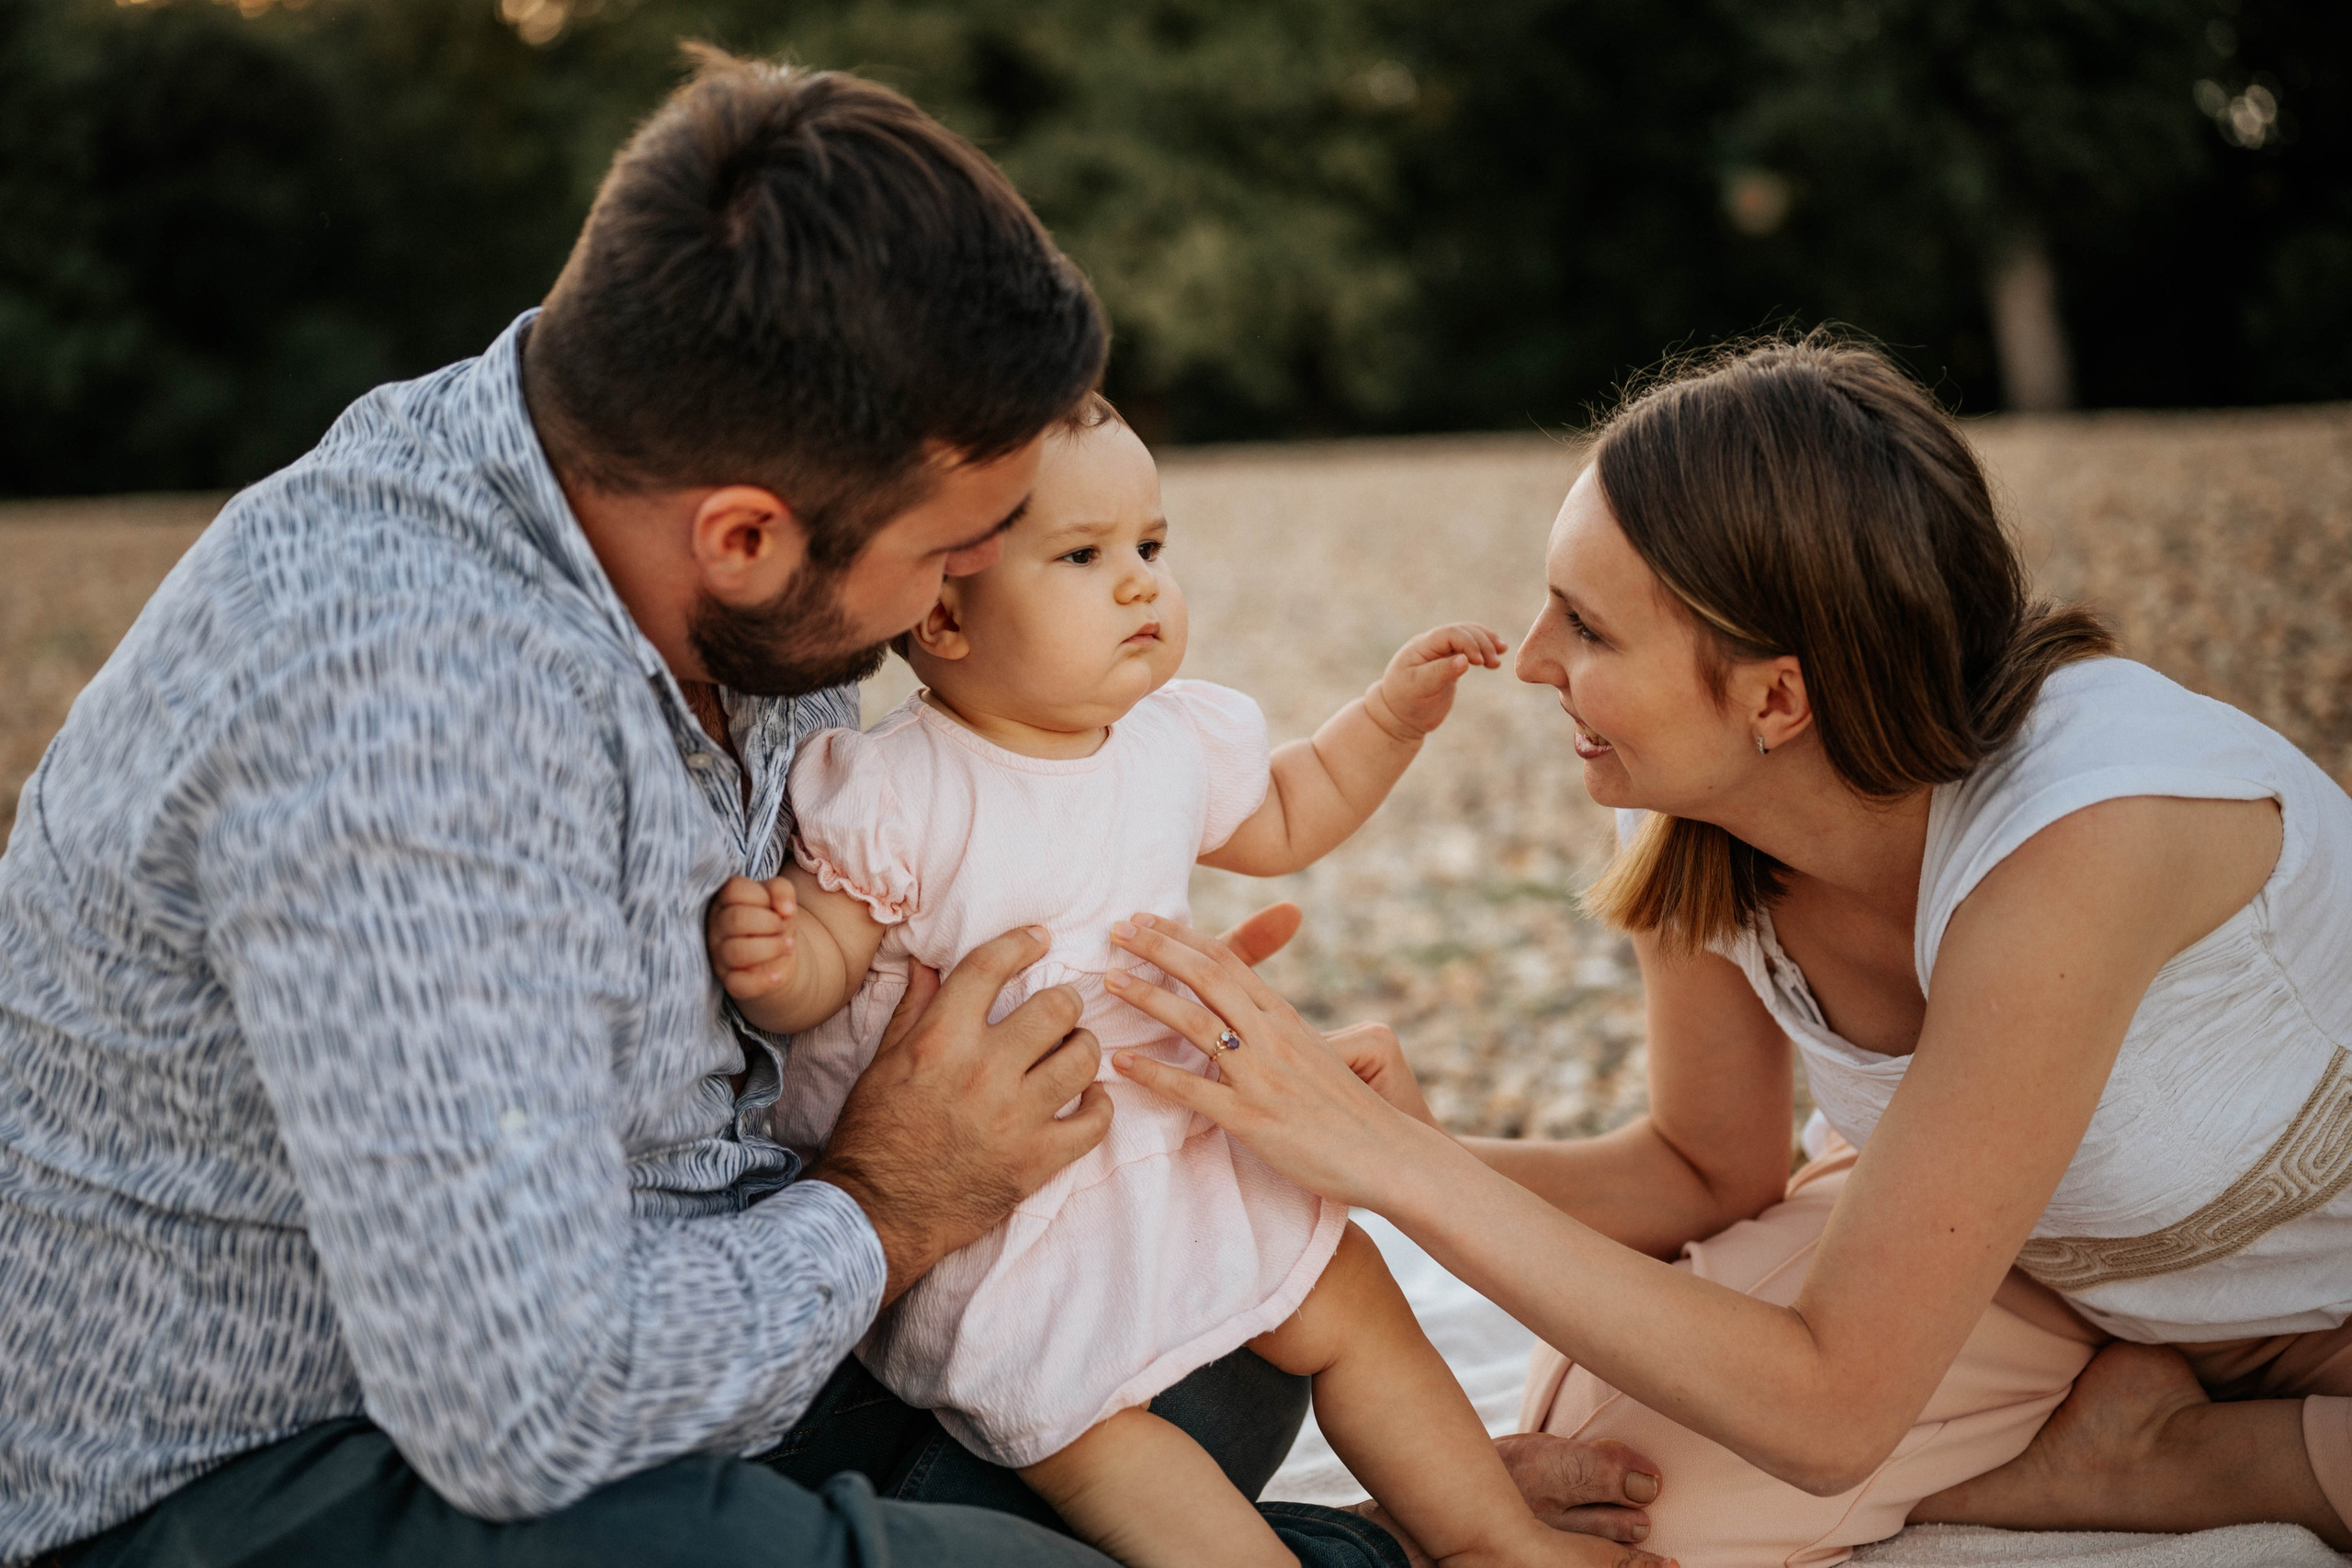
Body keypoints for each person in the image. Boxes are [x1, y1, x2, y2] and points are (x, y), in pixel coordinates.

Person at [0, 51, 1663, 1568]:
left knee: (1219, 1302)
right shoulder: (407, 717)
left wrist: (1096, 1055)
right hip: (279, 1473)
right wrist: (887, 1202)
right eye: (951, 558)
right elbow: (525, 1412)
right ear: (744, 538)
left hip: (694, 1308)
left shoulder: (684, 503)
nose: (962, 599)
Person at [1093, 335, 2352, 1566]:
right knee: (1623, 1489)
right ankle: (2128, 1419)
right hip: (2037, 1269)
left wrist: (1403, 1171)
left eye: (1585, 626)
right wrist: (1362, 1145)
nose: (1530, 660)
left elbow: (1829, 1408)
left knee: (1721, 1440)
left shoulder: (2086, 838)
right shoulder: (1698, 798)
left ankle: (2167, 1461)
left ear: (1775, 700)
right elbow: (1705, 1163)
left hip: (2327, 1301)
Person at [707, 393, 1635, 1568]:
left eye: (1150, 545)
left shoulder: (1165, 740)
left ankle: (1500, 1539)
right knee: (1093, 1429)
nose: (1141, 583)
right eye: (1085, 557)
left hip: (1166, 1125)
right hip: (1003, 1205)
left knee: (1344, 1289)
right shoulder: (902, 788)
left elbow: (1291, 808)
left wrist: (1385, 724)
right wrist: (778, 961)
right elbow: (831, 958)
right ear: (942, 614)